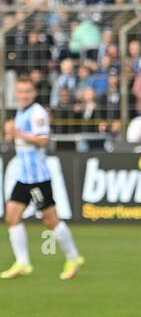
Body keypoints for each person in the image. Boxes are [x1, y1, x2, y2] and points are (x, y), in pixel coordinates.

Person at [2, 76, 84, 280]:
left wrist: (17, 134)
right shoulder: (21, 112)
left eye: (27, 91)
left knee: (50, 221)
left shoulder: (38, 112)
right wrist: (11, 135)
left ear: (34, 93)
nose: (23, 95)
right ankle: (23, 263)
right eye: (20, 91)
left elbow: (43, 141)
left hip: (38, 179)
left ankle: (73, 257)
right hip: (24, 177)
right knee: (12, 216)